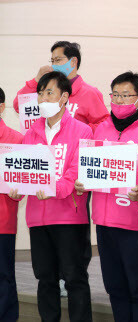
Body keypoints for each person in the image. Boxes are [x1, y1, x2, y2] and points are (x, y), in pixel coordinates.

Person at [75, 72, 138, 322]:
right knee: (115, 287)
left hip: (136, 224)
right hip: (105, 223)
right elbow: (91, 169)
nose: (119, 100)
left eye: (126, 95)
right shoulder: (99, 131)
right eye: (115, 95)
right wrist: (83, 183)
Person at [9, 71, 93, 322]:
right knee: (45, 278)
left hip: (68, 217)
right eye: (40, 93)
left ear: (64, 97)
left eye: (49, 92)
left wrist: (52, 189)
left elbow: (75, 172)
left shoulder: (82, 131)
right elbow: (22, 171)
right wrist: (16, 190)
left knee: (74, 277)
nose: (43, 98)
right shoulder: (31, 134)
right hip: (38, 219)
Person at [12, 41, 108, 132]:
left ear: (73, 62)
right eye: (52, 61)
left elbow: (104, 124)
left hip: (73, 147)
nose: (53, 65)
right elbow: (18, 106)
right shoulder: (46, 89)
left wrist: (80, 130)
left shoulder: (89, 93)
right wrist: (36, 80)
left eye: (58, 60)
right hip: (46, 145)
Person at [0, 87, 23, 322]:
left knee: (4, 276)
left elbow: (23, 182)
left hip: (2, 221)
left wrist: (18, 192)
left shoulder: (15, 139)